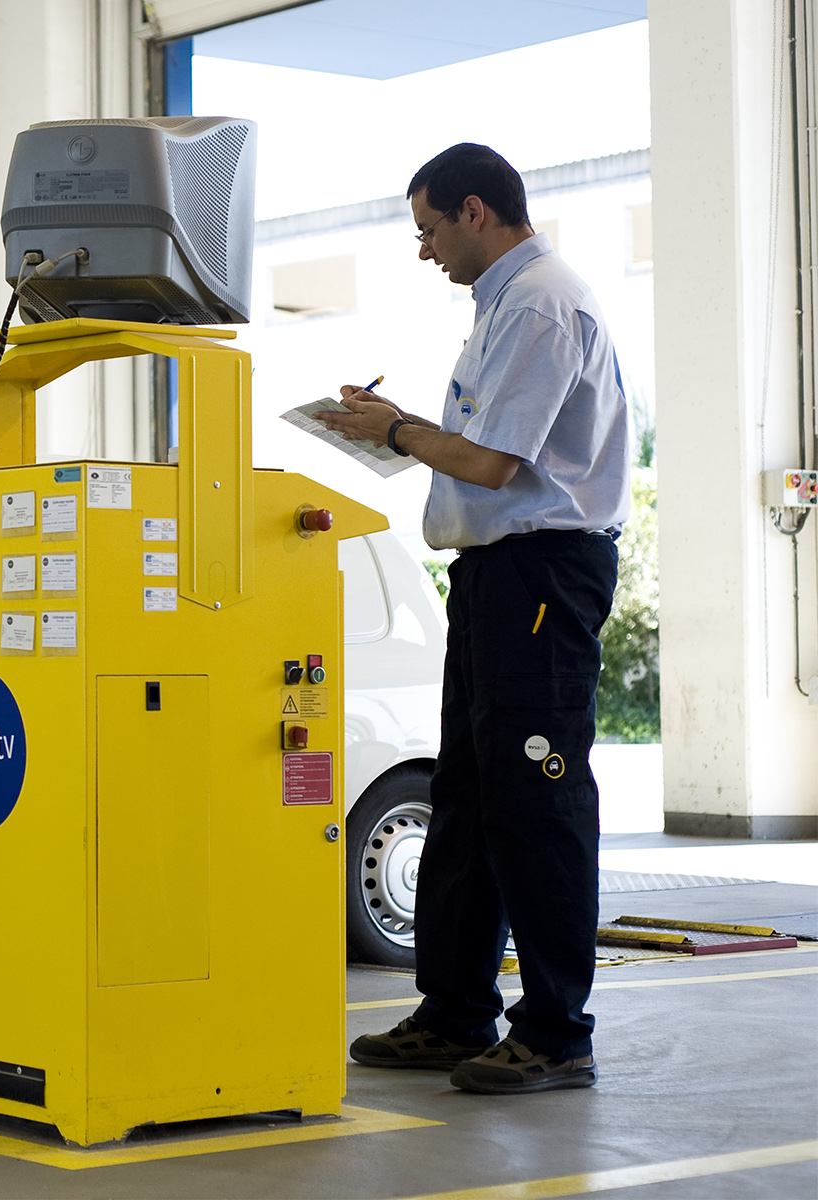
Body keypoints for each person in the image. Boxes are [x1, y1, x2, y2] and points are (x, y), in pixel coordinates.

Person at [315, 143, 630, 1096]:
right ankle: (455, 1010)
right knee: (469, 797)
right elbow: (488, 450)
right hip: (498, 580)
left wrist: (396, 432)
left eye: (430, 229)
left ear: (477, 211)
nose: (425, 251)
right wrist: (400, 421)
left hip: (542, 576)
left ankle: (555, 1034)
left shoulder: (540, 303)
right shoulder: (504, 307)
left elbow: (494, 468)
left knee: (536, 802)